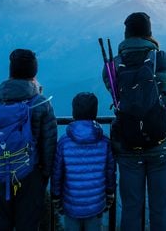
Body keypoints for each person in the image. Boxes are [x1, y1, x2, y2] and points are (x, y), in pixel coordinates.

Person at [103, 12, 166, 231]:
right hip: (162, 144)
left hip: (128, 144)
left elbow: (112, 88)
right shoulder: (163, 58)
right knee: (160, 208)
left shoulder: (113, 65)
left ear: (126, 34)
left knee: (131, 207)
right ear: (149, 33)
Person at [0, 49, 57, 231]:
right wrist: (45, 173)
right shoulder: (41, 103)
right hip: (29, 174)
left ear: (11, 72)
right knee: (28, 224)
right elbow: (49, 142)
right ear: (34, 72)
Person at [51, 92, 116, 231]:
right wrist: (110, 193)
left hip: (71, 203)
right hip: (96, 203)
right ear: (95, 112)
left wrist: (56, 196)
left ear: (73, 112)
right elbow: (110, 171)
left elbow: (57, 172)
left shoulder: (64, 142)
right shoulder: (104, 142)